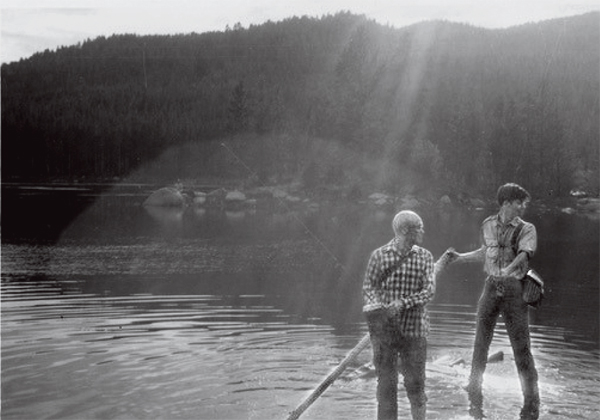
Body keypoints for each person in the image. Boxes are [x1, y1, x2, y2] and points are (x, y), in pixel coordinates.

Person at [447, 183, 540, 420]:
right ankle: (474, 387)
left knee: (522, 349)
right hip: (490, 287)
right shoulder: (487, 224)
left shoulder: (527, 229)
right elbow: (484, 251)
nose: (523, 206)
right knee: (480, 343)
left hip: (514, 290)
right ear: (506, 202)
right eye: (519, 202)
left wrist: (506, 270)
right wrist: (460, 258)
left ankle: (531, 401)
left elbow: (524, 255)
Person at [362, 210, 435, 420]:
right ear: (405, 231)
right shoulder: (379, 255)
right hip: (384, 334)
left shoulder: (425, 257)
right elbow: (369, 287)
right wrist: (378, 305)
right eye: (419, 227)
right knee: (386, 388)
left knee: (416, 388)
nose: (423, 231)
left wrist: (403, 303)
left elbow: (428, 292)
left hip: (415, 332)